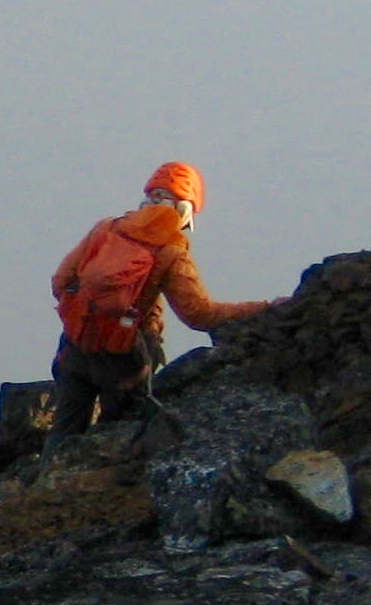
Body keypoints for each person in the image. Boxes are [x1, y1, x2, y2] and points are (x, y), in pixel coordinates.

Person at [47, 160, 279, 436]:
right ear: (184, 210)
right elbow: (198, 314)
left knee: (65, 430)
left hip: (75, 345)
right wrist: (265, 308)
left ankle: (50, 477)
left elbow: (60, 282)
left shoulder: (107, 228)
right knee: (119, 433)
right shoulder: (171, 251)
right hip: (124, 357)